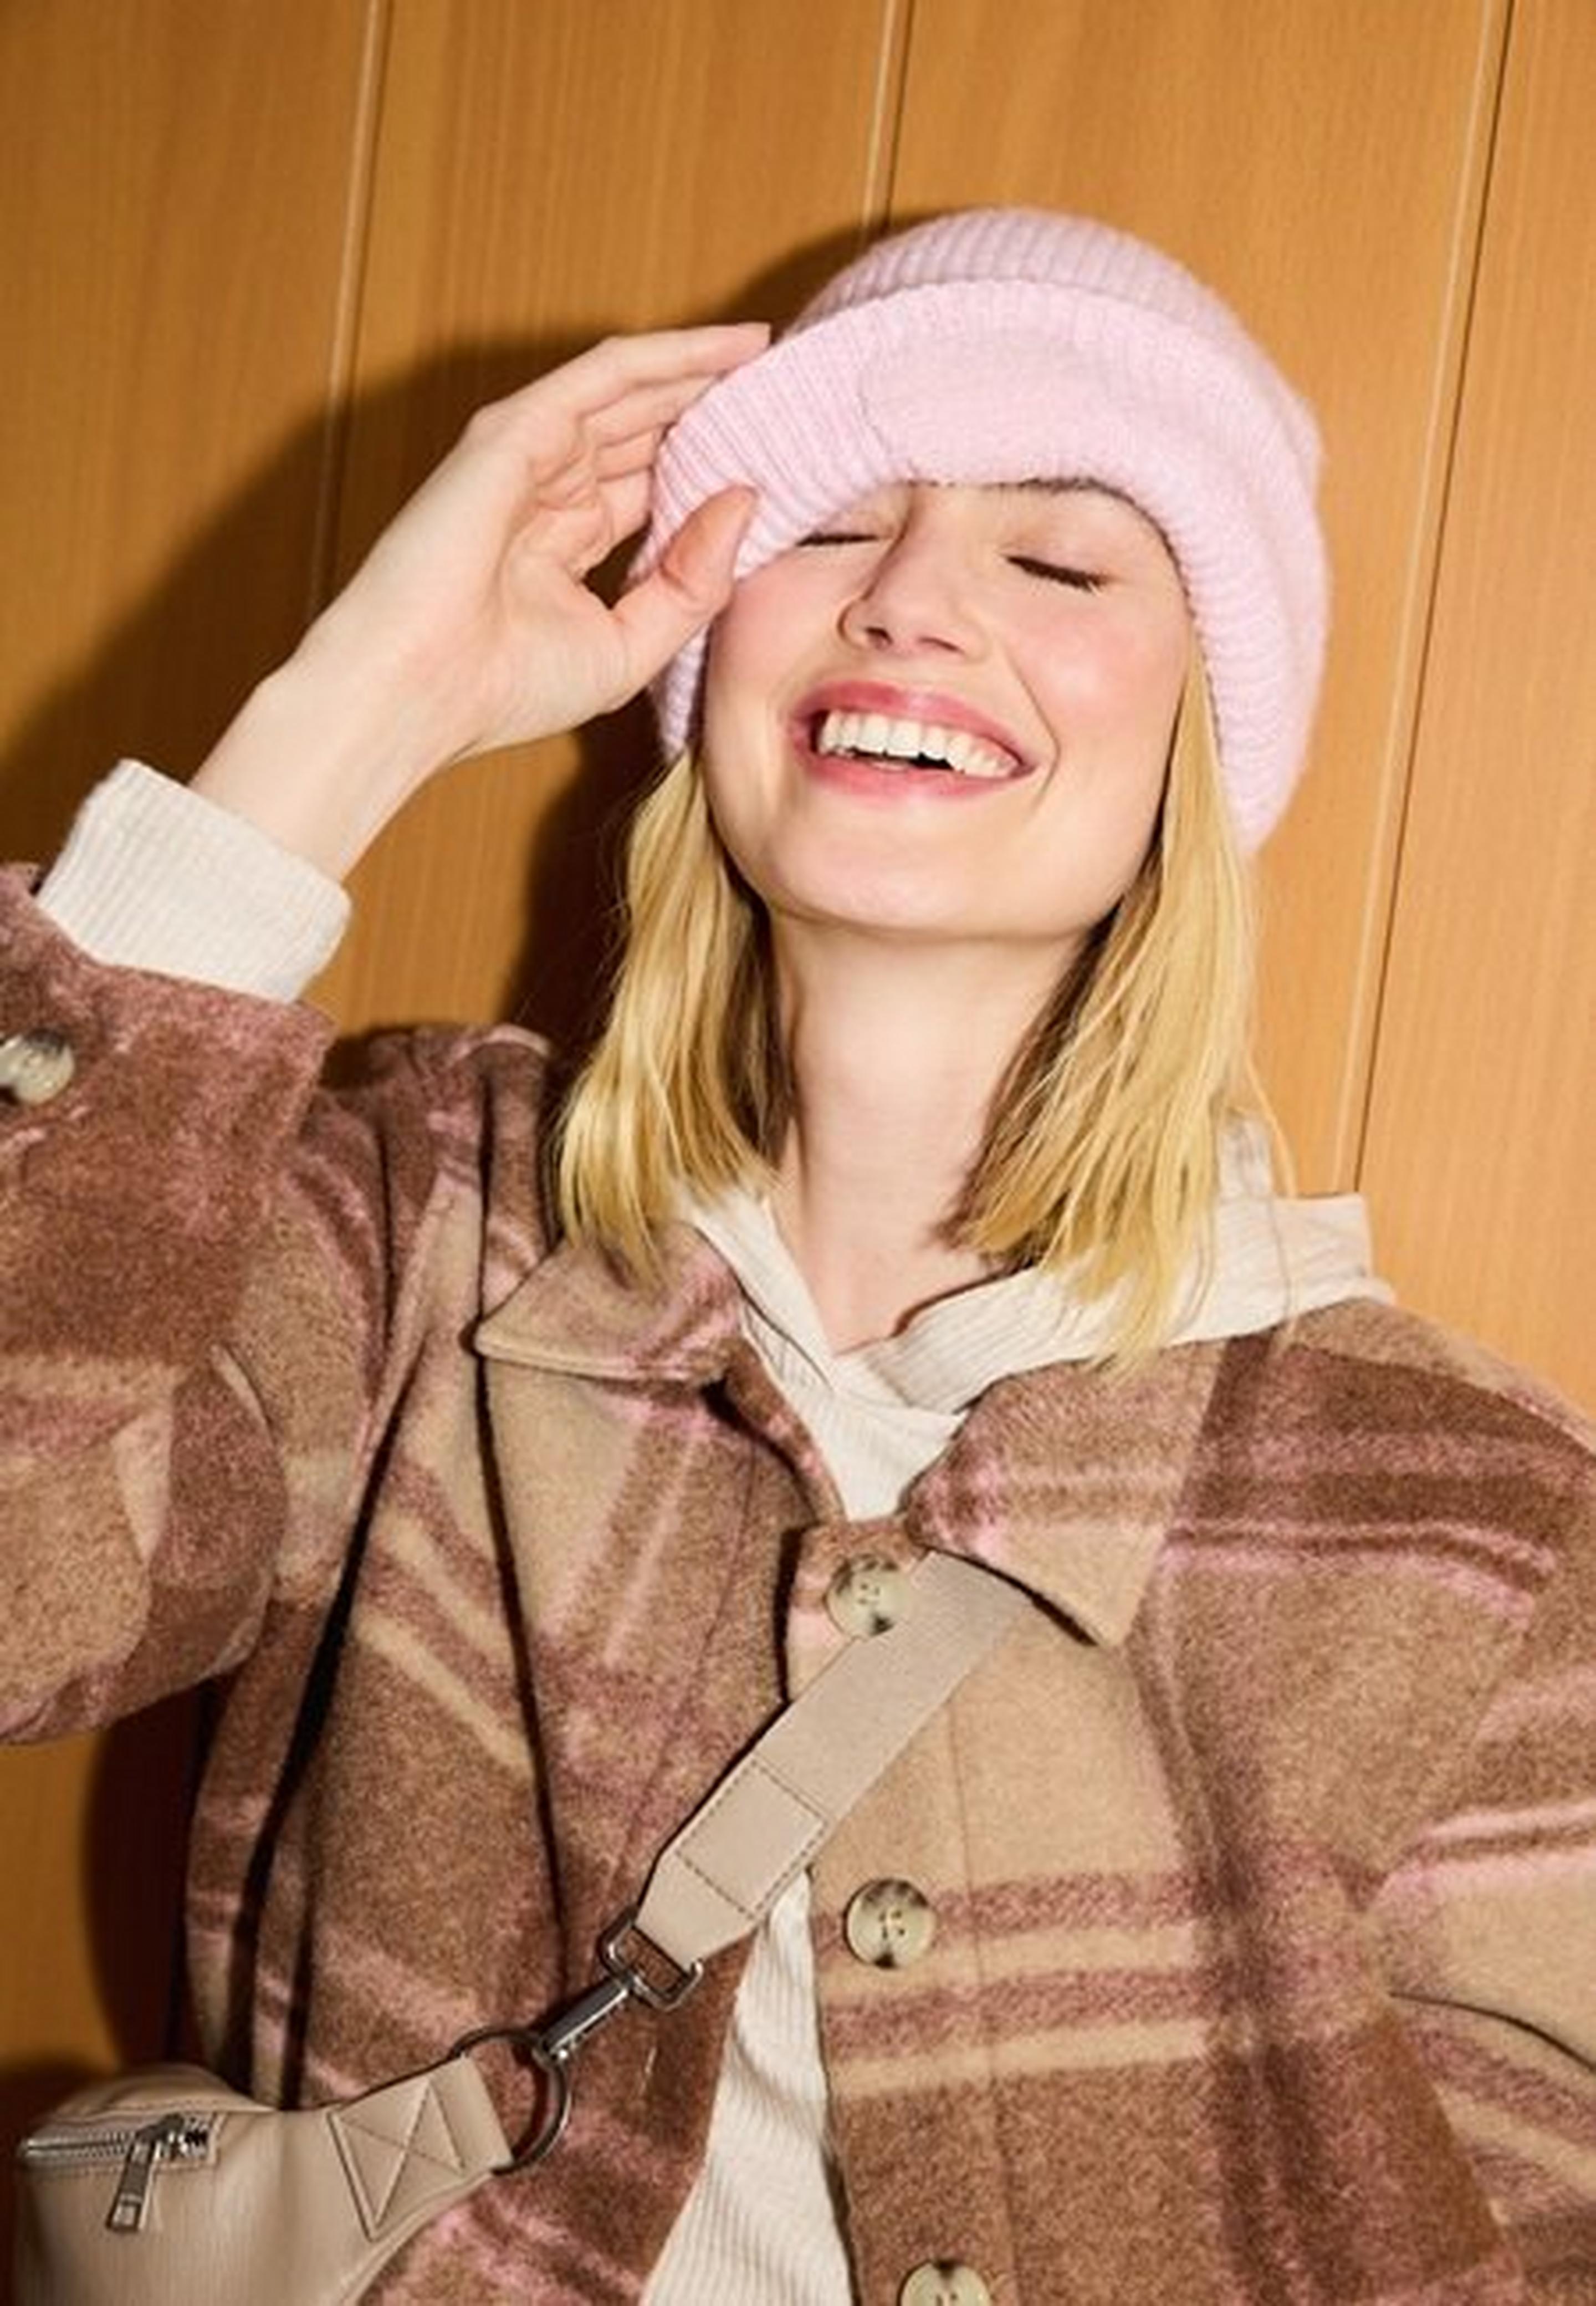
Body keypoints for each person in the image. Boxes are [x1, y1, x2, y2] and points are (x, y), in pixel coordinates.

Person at [3, 209, 1593, 2304]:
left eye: (1062, 559)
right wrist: (345, 722)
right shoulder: (422, 1230)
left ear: (1202, 738)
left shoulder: (1483, 1518)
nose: (914, 597)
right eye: (830, 524)